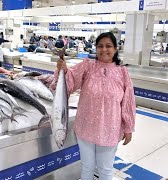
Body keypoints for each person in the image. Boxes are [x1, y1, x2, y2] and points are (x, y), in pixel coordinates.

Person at [53, 32, 136, 180]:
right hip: (85, 127)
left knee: (105, 169)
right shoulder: (87, 66)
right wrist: (64, 69)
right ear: (96, 49)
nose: (104, 49)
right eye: (100, 46)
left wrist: (128, 127)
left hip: (110, 128)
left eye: (108, 46)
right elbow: (70, 81)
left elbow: (128, 101)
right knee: (87, 167)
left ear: (115, 49)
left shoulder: (122, 72)